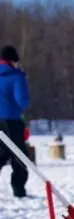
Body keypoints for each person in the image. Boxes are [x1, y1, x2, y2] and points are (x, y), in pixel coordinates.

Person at [0, 45, 29, 198]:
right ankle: (19, 190)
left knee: (2, 153)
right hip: (11, 121)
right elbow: (22, 101)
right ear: (13, 61)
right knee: (20, 156)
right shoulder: (17, 76)